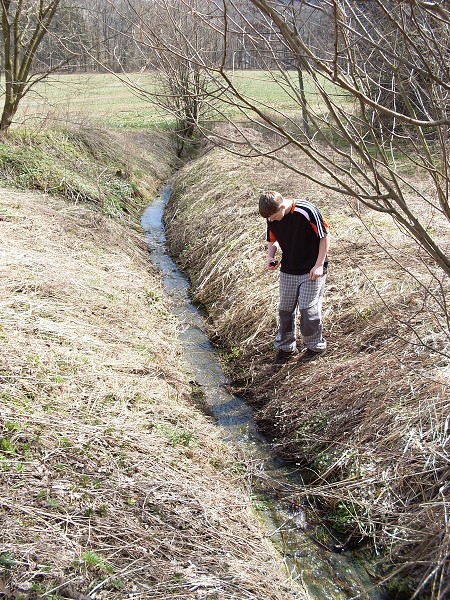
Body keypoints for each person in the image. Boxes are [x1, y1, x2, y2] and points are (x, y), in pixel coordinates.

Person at [259, 190, 330, 364]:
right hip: (289, 269)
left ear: (282, 206)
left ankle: (315, 347)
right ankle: (286, 347)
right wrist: (270, 257)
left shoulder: (307, 211)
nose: (272, 220)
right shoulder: (271, 215)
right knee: (285, 309)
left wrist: (319, 264)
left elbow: (325, 236)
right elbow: (273, 240)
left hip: (312, 269)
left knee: (308, 309)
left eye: (275, 217)